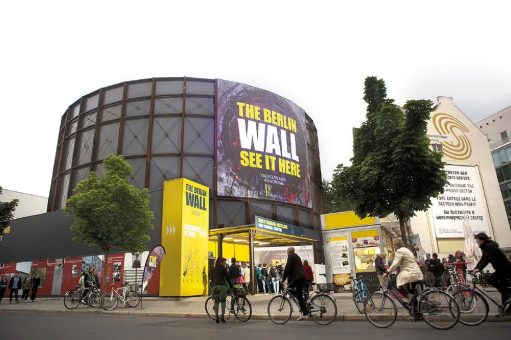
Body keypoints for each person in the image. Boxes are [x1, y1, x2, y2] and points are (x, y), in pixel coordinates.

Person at [473, 232, 511, 306]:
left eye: (477, 240)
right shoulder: (486, 247)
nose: (477, 242)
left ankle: (508, 293)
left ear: (482, 240)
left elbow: (487, 258)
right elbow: (483, 259)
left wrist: (479, 269)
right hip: (502, 269)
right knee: (503, 286)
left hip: (505, 268)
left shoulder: (489, 247)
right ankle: (506, 308)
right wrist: (476, 268)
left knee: (491, 280)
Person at [386, 240, 424, 305]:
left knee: (394, 282)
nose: (393, 246)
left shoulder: (399, 251)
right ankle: (415, 309)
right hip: (416, 272)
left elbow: (395, 263)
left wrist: (387, 272)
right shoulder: (407, 250)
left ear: (398, 245)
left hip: (410, 272)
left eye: (394, 244)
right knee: (411, 291)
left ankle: (409, 297)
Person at [282, 247, 307, 320]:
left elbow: (287, 268)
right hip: (300, 278)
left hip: (297, 278)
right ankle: (303, 307)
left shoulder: (291, 256)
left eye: (287, 251)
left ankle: (305, 312)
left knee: (298, 295)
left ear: (289, 251)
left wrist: (283, 278)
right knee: (295, 292)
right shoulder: (296, 256)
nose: (287, 253)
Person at [210, 257, 233, 324]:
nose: (225, 263)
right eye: (224, 262)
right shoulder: (223, 269)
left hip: (215, 286)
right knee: (223, 301)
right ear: (221, 262)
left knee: (216, 301)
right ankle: (222, 317)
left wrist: (212, 286)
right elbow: (227, 278)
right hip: (222, 286)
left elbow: (211, 278)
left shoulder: (214, 269)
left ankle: (217, 317)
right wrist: (231, 286)